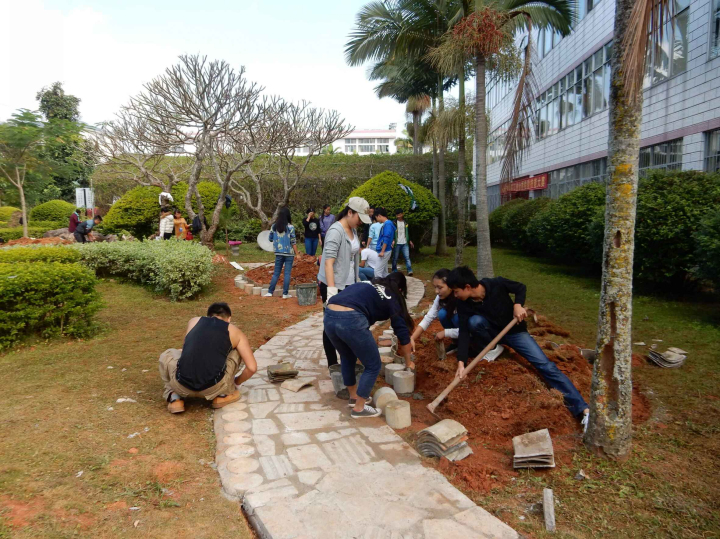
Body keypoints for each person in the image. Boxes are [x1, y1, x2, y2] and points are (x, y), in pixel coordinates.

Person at [447, 266, 590, 430]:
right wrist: (461, 363)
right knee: (474, 322)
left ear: (467, 287)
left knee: (545, 366)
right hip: (493, 333)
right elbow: (464, 331)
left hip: (514, 331)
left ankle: (583, 410)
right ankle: (494, 347)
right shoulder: (464, 303)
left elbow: (520, 287)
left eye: (456, 291)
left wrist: (518, 304)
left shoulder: (496, 284)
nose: (455, 295)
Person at [325, 273, 414, 418]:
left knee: (347, 357)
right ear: (400, 289)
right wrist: (409, 363)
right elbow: (402, 335)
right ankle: (359, 408)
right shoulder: (392, 296)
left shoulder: (368, 283)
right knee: (373, 365)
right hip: (351, 319)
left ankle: (354, 398)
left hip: (329, 315)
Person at [158, 302, 258, 414]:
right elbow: (252, 368)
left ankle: (174, 396)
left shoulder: (194, 321)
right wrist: (236, 382)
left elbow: (186, 348)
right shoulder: (236, 332)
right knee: (238, 351)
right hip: (214, 389)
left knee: (167, 354)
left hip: (181, 385)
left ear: (207, 316)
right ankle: (224, 394)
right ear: (229, 319)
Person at [317, 197, 371, 369]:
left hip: (349, 284)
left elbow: (352, 257)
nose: (360, 222)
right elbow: (328, 263)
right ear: (350, 212)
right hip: (334, 285)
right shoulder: (335, 231)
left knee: (348, 324)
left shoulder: (353, 230)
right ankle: (333, 365)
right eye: (359, 218)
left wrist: (356, 282)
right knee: (331, 325)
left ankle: (348, 361)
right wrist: (332, 292)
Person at [410, 269, 503, 361]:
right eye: (435, 287)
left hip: (476, 329)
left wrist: (446, 333)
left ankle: (479, 346)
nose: (436, 291)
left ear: (450, 286)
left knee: (457, 318)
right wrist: (412, 338)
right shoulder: (440, 298)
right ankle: (458, 344)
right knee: (442, 314)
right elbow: (428, 318)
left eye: (440, 287)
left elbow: (466, 329)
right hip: (463, 331)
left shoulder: (463, 298)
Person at [265, 207, 299, 299]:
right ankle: (285, 294)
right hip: (289, 254)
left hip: (278, 253)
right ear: (288, 216)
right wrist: (297, 254)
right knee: (287, 274)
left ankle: (270, 292)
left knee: (276, 273)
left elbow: (270, 238)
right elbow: (293, 241)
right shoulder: (291, 227)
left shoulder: (274, 226)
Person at [374, 208, 395, 279]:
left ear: (379, 216)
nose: (376, 220)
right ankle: (390, 285)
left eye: (376, 217)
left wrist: (382, 251)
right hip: (385, 250)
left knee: (377, 272)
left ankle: (378, 287)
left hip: (384, 251)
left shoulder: (387, 224)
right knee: (384, 272)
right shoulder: (389, 224)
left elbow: (386, 237)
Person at [391, 209, 413, 276]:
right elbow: (392, 232)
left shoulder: (405, 222)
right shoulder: (394, 223)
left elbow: (408, 232)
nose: (399, 216)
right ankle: (394, 269)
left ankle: (409, 270)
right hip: (397, 243)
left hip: (404, 242)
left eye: (400, 214)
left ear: (402, 214)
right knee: (395, 257)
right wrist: (393, 240)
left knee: (407, 257)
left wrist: (410, 240)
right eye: (397, 215)